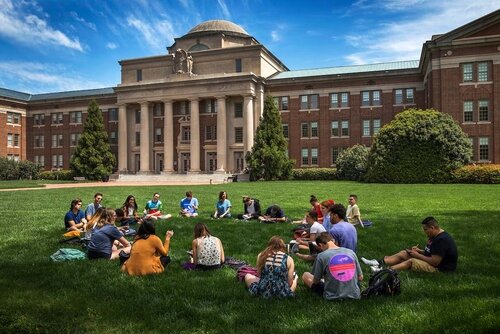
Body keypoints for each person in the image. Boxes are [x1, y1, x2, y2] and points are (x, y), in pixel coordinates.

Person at [361, 216, 458, 273]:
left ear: (432, 228)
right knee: (404, 253)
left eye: (425, 230)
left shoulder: (442, 240)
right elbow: (433, 252)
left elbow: (435, 262)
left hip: (440, 269)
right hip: (435, 262)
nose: (424, 232)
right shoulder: (435, 236)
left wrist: (418, 255)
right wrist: (420, 251)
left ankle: (383, 271)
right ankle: (377, 262)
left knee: (412, 261)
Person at [302, 232, 363, 300]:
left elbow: (316, 281)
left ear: (320, 245)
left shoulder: (321, 256)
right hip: (354, 294)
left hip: (332, 295)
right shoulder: (351, 252)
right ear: (333, 240)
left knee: (305, 275)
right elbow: (360, 277)